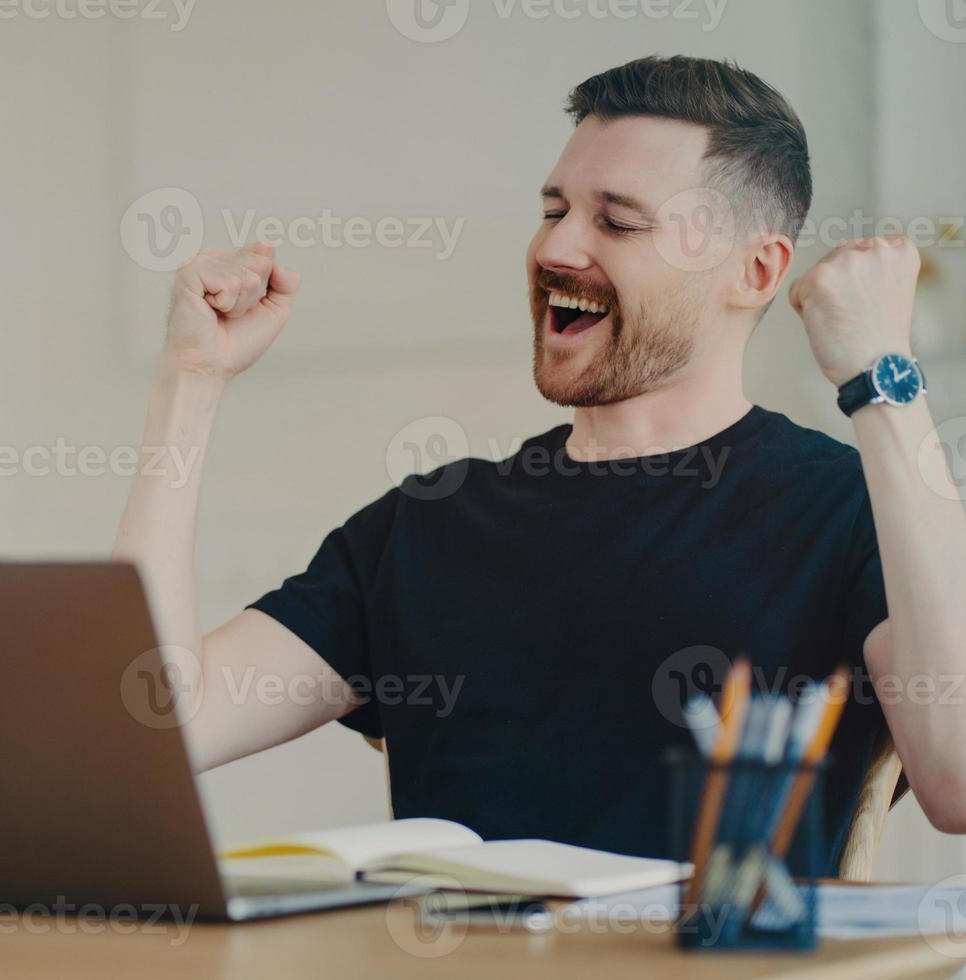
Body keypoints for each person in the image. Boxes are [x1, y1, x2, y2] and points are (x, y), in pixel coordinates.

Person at [112, 55, 966, 862]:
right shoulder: (430, 521)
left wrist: (880, 379)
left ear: (755, 270)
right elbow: (147, 727)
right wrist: (190, 381)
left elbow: (958, 779)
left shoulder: (850, 511)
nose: (557, 249)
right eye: (555, 210)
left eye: (618, 221)